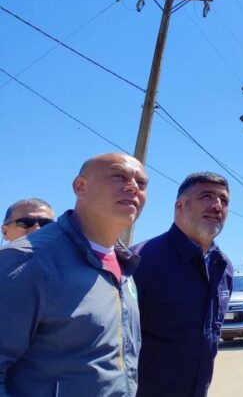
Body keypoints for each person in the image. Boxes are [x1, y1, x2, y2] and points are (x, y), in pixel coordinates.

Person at [0, 152, 147, 396]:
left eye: (141, 183)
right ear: (81, 187)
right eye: (118, 176)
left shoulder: (125, 265)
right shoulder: (28, 261)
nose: (133, 187)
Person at [131, 172, 233, 397]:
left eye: (224, 200)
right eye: (206, 196)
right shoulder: (140, 261)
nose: (217, 206)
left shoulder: (223, 267)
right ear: (180, 206)